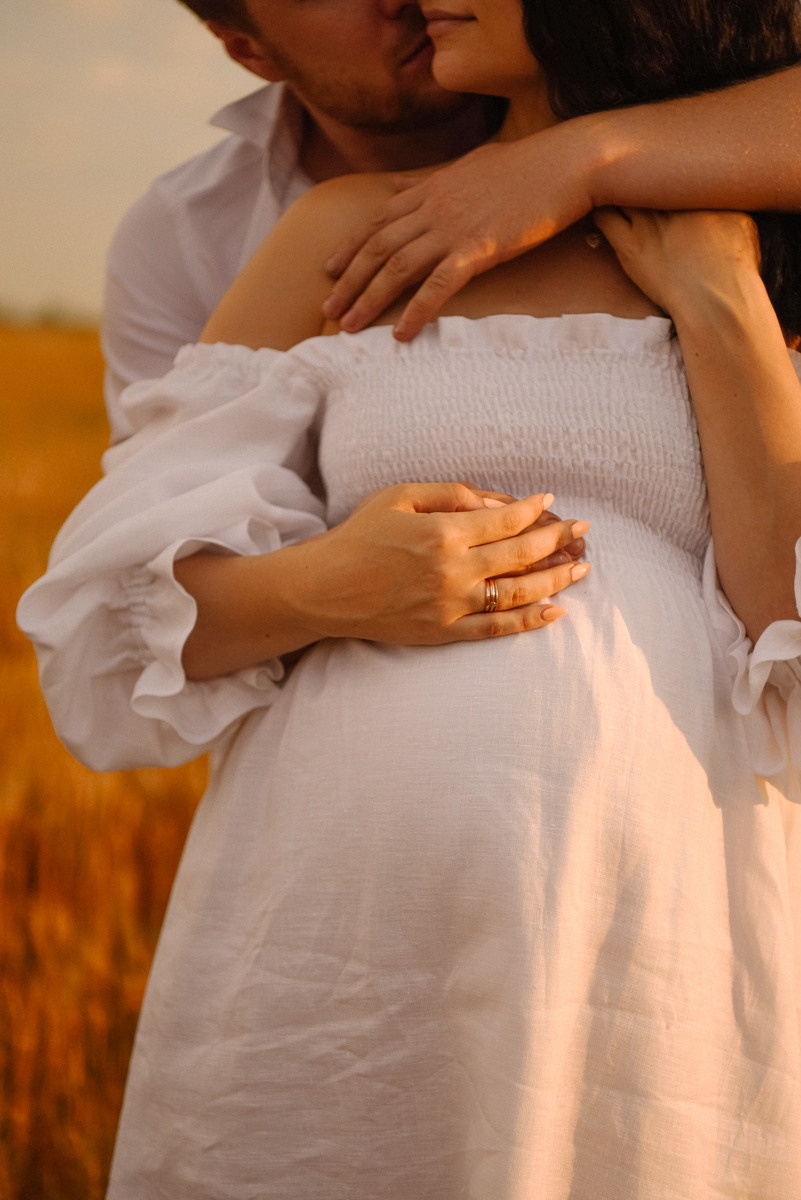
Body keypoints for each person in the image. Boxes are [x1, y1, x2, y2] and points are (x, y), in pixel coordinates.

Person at [18, 1, 801, 1197]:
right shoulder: (346, 233)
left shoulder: (758, 251)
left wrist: (722, 305)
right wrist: (330, 584)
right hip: (334, 937)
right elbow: (106, 636)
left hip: (651, 939)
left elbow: (781, 642)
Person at [104, 0, 801, 439]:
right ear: (248, 53)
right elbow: (167, 537)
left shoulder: (709, 177)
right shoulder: (185, 235)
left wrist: (578, 159)